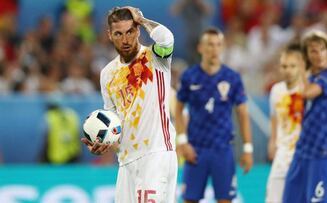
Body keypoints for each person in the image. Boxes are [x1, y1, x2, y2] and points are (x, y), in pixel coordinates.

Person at [81, 6, 177, 203]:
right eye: (118, 34)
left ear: (137, 31)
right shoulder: (107, 74)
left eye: (130, 31)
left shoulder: (155, 57)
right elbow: (114, 124)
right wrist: (104, 143)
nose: (125, 40)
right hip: (126, 162)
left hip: (156, 155)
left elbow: (167, 39)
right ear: (109, 35)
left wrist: (142, 19)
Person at [175, 28, 253, 203]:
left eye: (218, 45)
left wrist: (248, 149)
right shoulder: (189, 76)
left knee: (225, 200)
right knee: (189, 199)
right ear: (200, 48)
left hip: (222, 149)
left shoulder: (232, 78)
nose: (214, 49)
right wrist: (182, 141)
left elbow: (243, 114)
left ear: (223, 47)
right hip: (195, 149)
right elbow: (178, 109)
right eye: (210, 44)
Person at [283, 31, 327, 203]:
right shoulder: (309, 78)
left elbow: (308, 93)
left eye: (322, 49)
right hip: (302, 151)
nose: (318, 55)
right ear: (307, 55)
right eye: (312, 51)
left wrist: (301, 69)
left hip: (323, 153)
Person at [265, 43, 305, 203]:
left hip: (304, 155)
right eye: (284, 66)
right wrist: (272, 141)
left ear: (302, 65)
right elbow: (274, 117)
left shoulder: (309, 90)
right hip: (283, 154)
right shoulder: (276, 90)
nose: (287, 70)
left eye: (292, 66)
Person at [41, 99, 81, 164]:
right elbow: (78, 134)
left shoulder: (49, 116)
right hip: (73, 155)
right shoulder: (72, 114)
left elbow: (45, 137)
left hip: (55, 157)